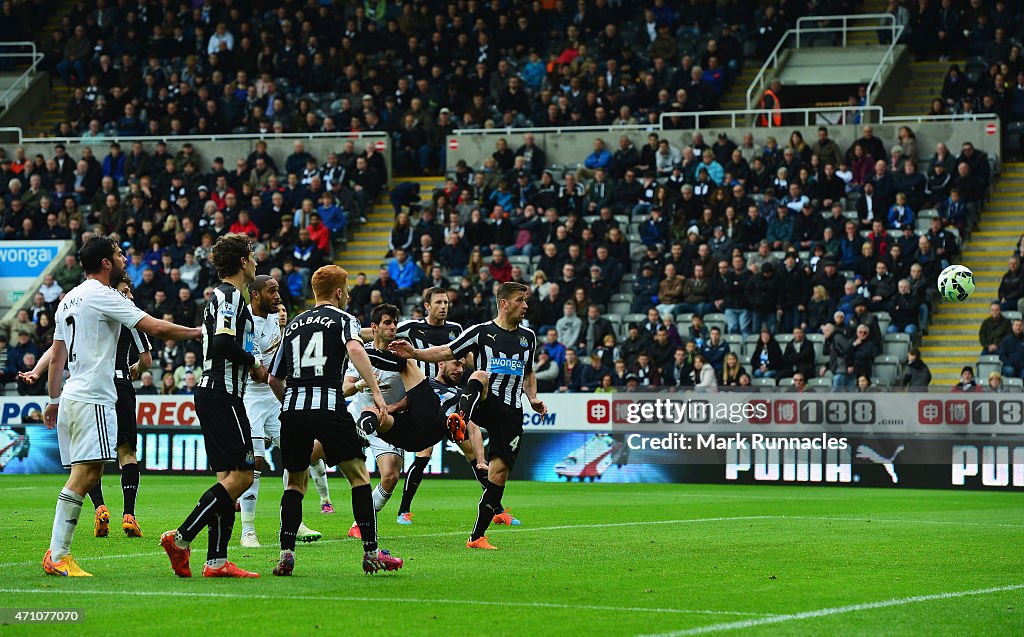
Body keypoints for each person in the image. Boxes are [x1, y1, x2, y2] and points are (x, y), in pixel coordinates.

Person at [43, 237, 201, 577]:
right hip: (95, 395)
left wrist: (54, 400)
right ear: (105, 263)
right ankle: (57, 555)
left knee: (87, 473)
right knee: (85, 474)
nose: (125, 259)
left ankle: (58, 553)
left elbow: (57, 356)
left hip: (72, 393)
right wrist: (200, 331)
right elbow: (154, 327)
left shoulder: (67, 299)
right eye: (118, 254)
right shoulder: (105, 295)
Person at [265, 265, 402, 576]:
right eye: (348, 290)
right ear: (339, 292)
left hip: (294, 411)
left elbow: (274, 378)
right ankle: (370, 552)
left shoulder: (295, 323)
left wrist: (290, 403)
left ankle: (286, 554)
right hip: (330, 406)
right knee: (359, 477)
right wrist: (379, 397)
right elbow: (355, 349)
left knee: (295, 485)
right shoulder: (344, 320)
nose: (350, 295)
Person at [388, 282, 546, 550]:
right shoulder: (481, 332)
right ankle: (460, 418)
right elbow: (446, 351)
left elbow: (529, 373)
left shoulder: (528, 337)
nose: (525, 306)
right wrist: (414, 353)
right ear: (504, 303)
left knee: (498, 476)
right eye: (520, 300)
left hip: (511, 414)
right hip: (487, 400)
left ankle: (476, 537)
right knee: (480, 376)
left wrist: (532, 398)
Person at [160, 234, 267, 579]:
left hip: (220, 393)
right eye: (251, 256)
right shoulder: (229, 295)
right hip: (221, 392)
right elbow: (222, 343)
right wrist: (252, 360)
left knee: (227, 478)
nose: (255, 262)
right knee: (243, 475)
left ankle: (217, 561)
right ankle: (181, 538)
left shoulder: (232, 300)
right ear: (240, 262)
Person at [239, 275, 325, 548]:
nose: (278, 296)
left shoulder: (278, 322)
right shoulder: (248, 325)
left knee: (297, 456)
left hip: (276, 399)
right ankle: (248, 531)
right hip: (251, 401)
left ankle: (293, 521)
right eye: (271, 291)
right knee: (256, 463)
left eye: (278, 290)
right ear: (255, 295)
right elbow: (258, 374)